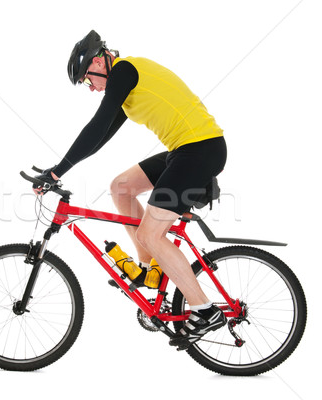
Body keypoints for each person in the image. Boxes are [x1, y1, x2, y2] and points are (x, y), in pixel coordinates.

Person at [33, 30, 228, 349]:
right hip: (186, 151)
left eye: (87, 79)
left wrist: (56, 171)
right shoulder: (125, 85)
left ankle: (204, 311)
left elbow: (95, 125)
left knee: (151, 233)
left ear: (99, 62)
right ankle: (150, 270)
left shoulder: (124, 70)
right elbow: (99, 138)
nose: (91, 87)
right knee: (122, 187)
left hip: (200, 150)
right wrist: (60, 169)